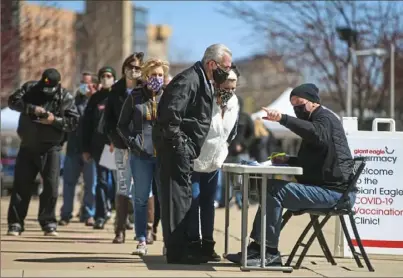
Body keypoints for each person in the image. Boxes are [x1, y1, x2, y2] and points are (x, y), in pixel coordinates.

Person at [226, 83, 356, 267]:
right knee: (270, 187)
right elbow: (316, 159)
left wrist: (283, 119)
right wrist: (289, 160)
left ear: (313, 103)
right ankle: (258, 249)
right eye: (293, 105)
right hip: (327, 189)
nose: (297, 109)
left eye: (300, 104)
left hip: (336, 194)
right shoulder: (317, 121)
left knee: (273, 190)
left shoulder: (324, 119)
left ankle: (269, 251)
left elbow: (317, 135)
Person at [153, 43, 233, 264]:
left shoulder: (203, 80)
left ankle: (184, 248)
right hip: (176, 152)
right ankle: (178, 253)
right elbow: (169, 118)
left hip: (185, 152)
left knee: (183, 201)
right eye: (225, 67)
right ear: (211, 64)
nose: (227, 72)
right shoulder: (189, 80)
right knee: (176, 202)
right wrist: (182, 147)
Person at [7, 68, 79, 236]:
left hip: (51, 148)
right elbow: (12, 101)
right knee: (21, 186)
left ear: (57, 85)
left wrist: (54, 120)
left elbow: (73, 122)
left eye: (50, 89)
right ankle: (16, 223)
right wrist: (32, 109)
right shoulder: (30, 89)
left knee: (51, 187)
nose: (46, 92)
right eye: (44, 87)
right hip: (28, 146)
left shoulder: (65, 97)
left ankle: (48, 222)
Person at [117, 58, 169, 255]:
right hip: (140, 156)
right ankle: (141, 240)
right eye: (153, 75)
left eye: (160, 75)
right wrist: (133, 142)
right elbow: (121, 125)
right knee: (140, 198)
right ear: (146, 77)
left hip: (164, 156)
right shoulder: (135, 96)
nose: (156, 78)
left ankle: (167, 242)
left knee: (164, 198)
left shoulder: (169, 96)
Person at [188, 67, 240, 262]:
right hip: (195, 157)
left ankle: (208, 245)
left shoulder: (234, 102)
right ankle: (193, 243)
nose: (232, 86)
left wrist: (224, 147)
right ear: (218, 82)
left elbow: (232, 130)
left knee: (208, 203)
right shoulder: (204, 97)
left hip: (215, 159)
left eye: (235, 82)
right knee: (193, 200)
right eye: (229, 81)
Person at [104, 52, 144, 241]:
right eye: (130, 67)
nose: (134, 70)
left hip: (142, 147)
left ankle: (144, 231)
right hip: (121, 145)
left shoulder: (145, 89)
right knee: (123, 186)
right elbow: (109, 120)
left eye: (137, 68)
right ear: (124, 68)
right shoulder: (115, 90)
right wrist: (114, 139)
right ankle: (119, 230)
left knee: (143, 188)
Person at [59, 72, 97, 227]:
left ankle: (88, 214)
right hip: (73, 149)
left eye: (87, 83)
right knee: (69, 183)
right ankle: (65, 214)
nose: (84, 86)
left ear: (94, 85)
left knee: (91, 185)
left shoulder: (98, 103)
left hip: (91, 151)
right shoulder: (72, 102)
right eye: (82, 82)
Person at [82, 66, 117, 230]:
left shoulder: (119, 96)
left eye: (109, 75)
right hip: (98, 146)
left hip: (116, 146)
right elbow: (86, 125)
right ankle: (101, 215)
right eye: (103, 76)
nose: (106, 78)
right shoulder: (95, 98)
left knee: (117, 183)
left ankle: (123, 214)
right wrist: (86, 148)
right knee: (101, 181)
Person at [225, 96, 255, 208]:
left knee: (240, 179)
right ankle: (229, 201)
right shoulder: (227, 116)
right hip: (227, 153)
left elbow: (252, 135)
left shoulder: (245, 118)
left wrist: (243, 145)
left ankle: (242, 200)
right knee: (229, 180)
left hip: (241, 154)